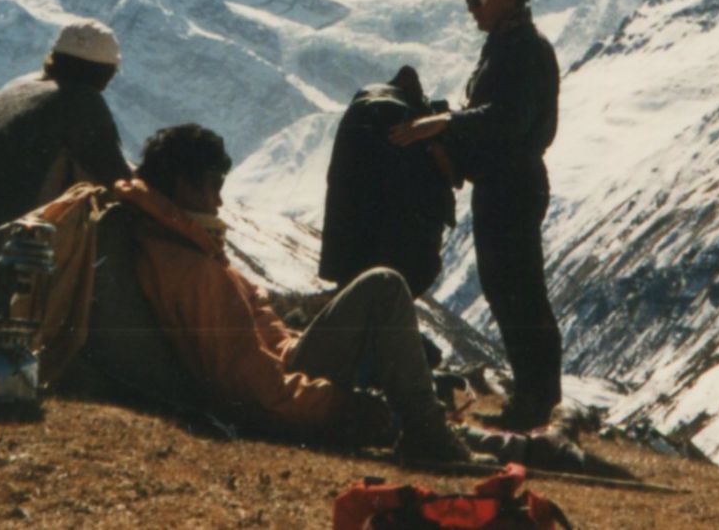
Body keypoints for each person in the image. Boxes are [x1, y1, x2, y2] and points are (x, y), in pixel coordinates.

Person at [115, 123, 475, 462]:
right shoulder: (192, 270)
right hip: (274, 408)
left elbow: (262, 351)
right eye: (213, 186)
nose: (218, 203)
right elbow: (256, 388)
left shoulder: (180, 245)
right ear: (183, 187)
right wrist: (343, 406)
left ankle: (430, 423)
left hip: (283, 384)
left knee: (382, 294)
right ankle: (428, 433)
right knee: (384, 286)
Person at [389, 0, 563, 430]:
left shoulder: (524, 49)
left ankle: (536, 401)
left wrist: (447, 122)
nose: (471, 9)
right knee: (509, 288)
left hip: (513, 183)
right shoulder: (506, 45)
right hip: (503, 182)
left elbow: (509, 120)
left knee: (518, 290)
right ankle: (533, 397)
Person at [0, 20, 133, 309]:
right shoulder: (81, 100)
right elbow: (118, 184)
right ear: (106, 73)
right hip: (9, 263)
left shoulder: (13, 91)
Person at [318, 65, 455, 297]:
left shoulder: (363, 112)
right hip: (404, 248)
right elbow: (451, 175)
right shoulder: (418, 126)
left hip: (350, 247)